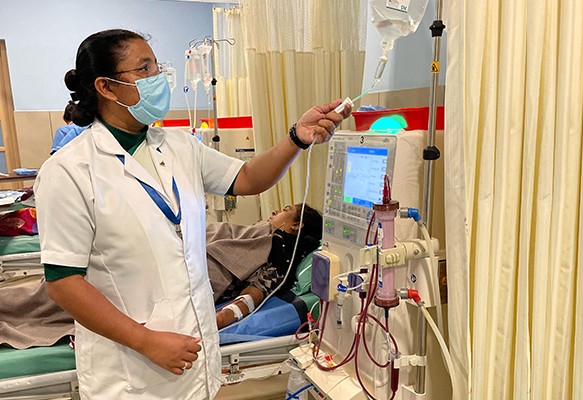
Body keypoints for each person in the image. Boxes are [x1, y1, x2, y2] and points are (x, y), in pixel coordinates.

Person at [33, 29, 350, 400]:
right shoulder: (69, 170)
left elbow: (248, 178)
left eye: (158, 67)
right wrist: (146, 341)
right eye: (144, 69)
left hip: (195, 358)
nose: (158, 78)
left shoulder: (180, 146)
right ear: (106, 87)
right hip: (129, 374)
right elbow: (63, 283)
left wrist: (296, 137)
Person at [207, 203, 322, 329]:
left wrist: (221, 318)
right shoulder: (264, 234)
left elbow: (255, 293)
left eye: (285, 210)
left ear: (296, 225)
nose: (274, 212)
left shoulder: (282, 251)